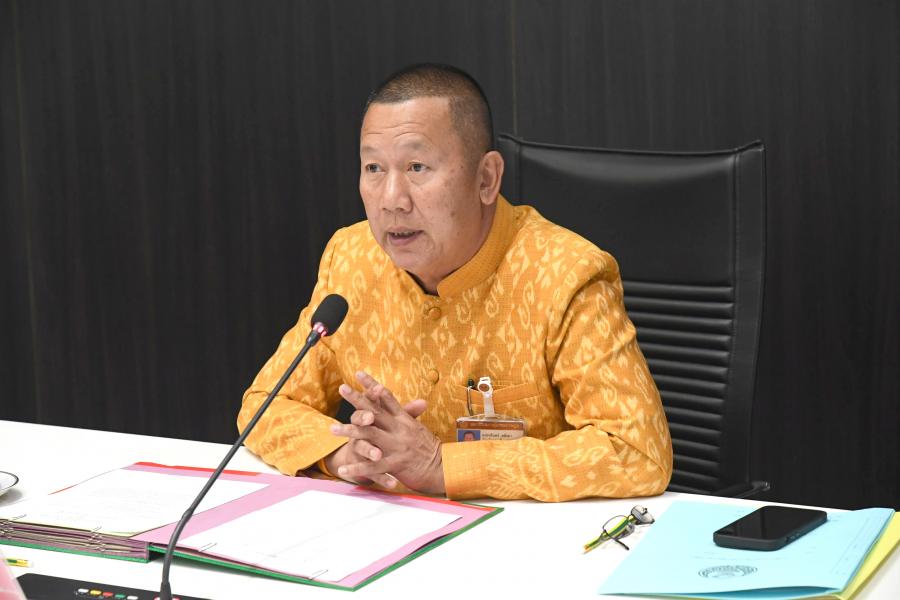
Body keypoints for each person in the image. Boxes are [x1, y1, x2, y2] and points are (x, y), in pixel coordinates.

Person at [237, 63, 672, 501]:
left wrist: (441, 466)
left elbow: (636, 451)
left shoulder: (563, 273)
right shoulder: (351, 258)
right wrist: (344, 454)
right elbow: (265, 405)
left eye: (417, 167)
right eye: (373, 168)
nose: (392, 200)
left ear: (486, 179)